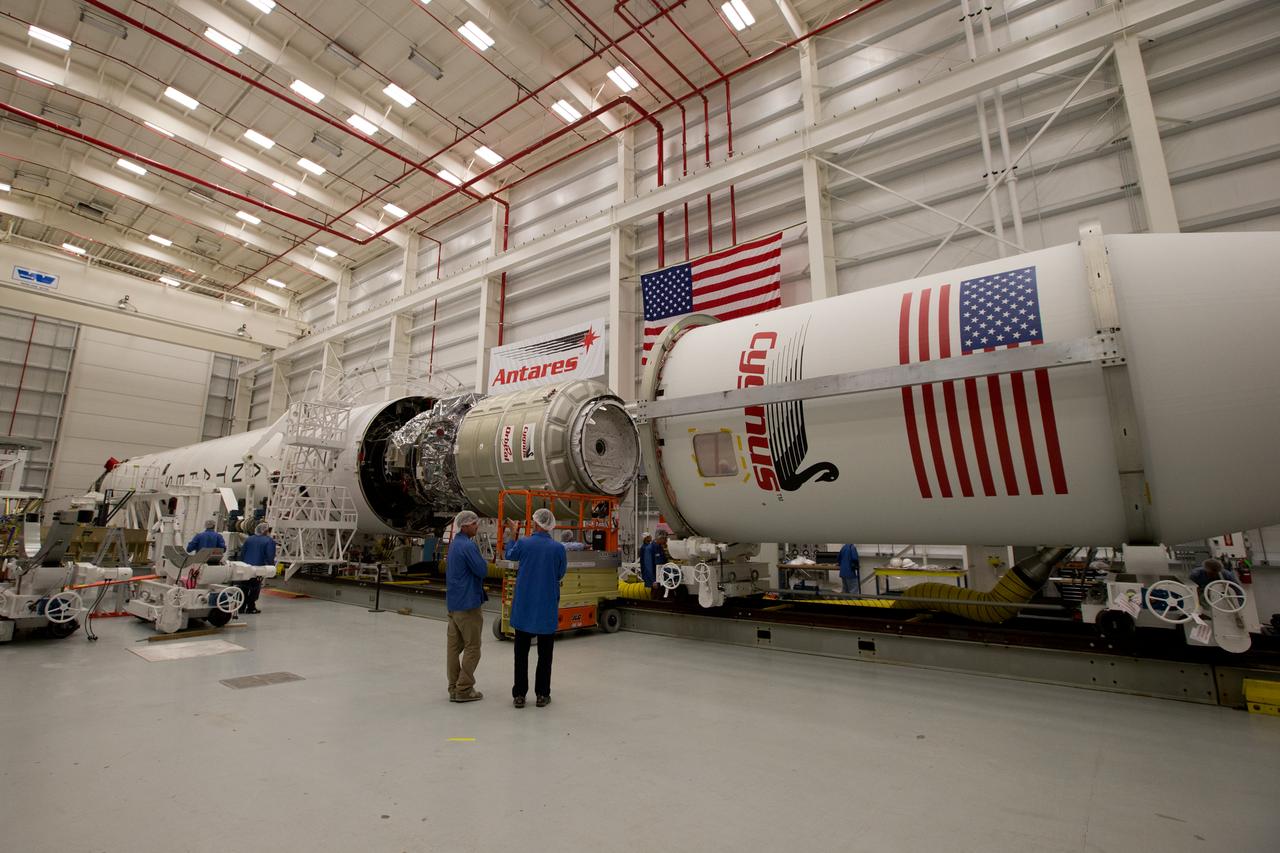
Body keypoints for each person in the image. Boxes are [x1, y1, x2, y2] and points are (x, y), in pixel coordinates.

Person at [508, 508, 567, 708]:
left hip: (524, 607)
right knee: (545, 655)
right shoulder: (558, 548)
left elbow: (510, 554)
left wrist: (513, 534)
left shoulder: (523, 543)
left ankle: (519, 695)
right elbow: (560, 573)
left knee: (521, 654)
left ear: (535, 523)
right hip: (546, 607)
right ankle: (542, 694)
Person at [445, 510, 488, 703]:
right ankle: (464, 689)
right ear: (464, 526)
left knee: (453, 648)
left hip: (453, 604)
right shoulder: (468, 546)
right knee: (473, 647)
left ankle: (453, 687)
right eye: (473, 524)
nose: (476, 526)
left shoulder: (454, 545)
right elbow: (482, 570)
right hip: (468, 604)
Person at [237, 523, 276, 614]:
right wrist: (271, 567)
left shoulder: (249, 539)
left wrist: (241, 564)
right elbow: (269, 555)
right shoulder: (269, 541)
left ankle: (241, 607)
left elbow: (242, 553)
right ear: (265, 531)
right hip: (259, 568)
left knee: (244, 587)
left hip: (246, 567)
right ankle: (251, 607)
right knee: (255, 588)